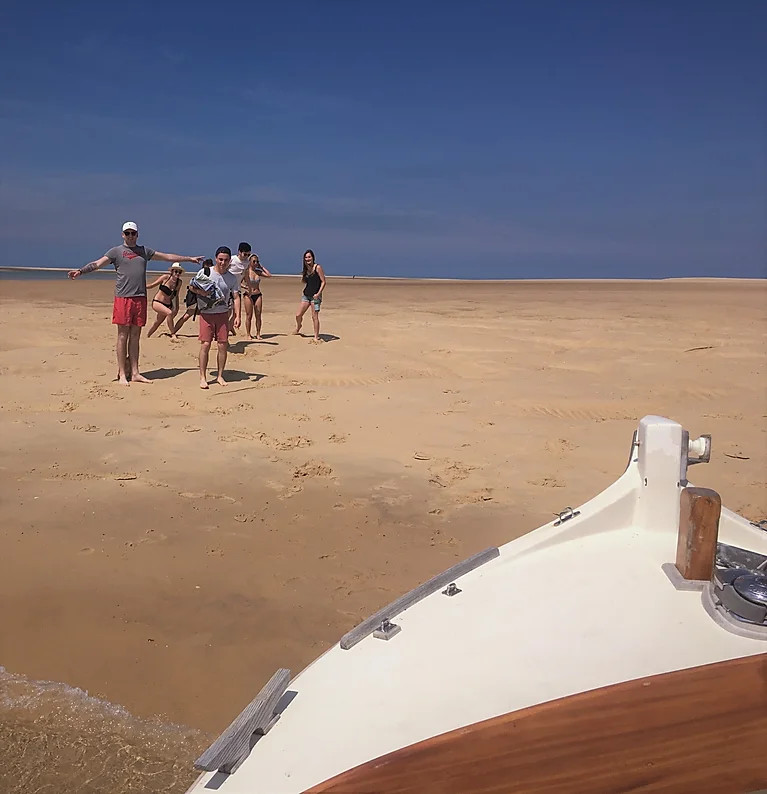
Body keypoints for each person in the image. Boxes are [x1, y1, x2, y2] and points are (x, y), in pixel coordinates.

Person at [67, 222, 202, 385]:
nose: (130, 236)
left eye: (133, 233)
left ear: (137, 235)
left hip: (140, 298)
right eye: (127, 233)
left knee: (136, 336)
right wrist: (80, 271)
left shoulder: (144, 251)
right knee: (122, 335)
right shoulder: (116, 252)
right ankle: (122, 373)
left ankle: (136, 372)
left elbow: (167, 257)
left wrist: (189, 259)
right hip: (123, 298)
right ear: (122, 235)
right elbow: (97, 264)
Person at [189, 247, 240, 389]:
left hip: (223, 314)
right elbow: (191, 287)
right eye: (220, 259)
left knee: (222, 345)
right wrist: (201, 292)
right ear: (216, 258)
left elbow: (236, 297)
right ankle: (203, 377)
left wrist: (237, 315)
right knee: (205, 344)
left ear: (230, 261)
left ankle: (220, 375)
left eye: (226, 260)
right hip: (206, 314)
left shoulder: (231, 278)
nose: (223, 262)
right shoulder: (206, 272)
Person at [293, 249, 326, 341]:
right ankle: (298, 326)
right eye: (306, 257)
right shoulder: (306, 269)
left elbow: (323, 282)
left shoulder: (317, 267)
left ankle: (316, 336)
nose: (308, 259)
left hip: (315, 297)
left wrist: (318, 293)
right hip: (306, 295)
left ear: (313, 258)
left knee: (314, 316)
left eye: (309, 257)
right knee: (298, 315)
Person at [146, 263, 185, 338]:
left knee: (157, 322)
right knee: (169, 313)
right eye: (176, 271)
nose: (177, 273)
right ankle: (173, 334)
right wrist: (140, 286)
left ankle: (148, 336)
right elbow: (152, 285)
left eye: (179, 272)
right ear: (172, 271)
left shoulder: (179, 282)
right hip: (157, 302)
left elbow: (176, 295)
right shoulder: (165, 277)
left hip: (167, 305)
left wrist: (176, 307)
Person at [243, 253, 272, 339]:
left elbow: (269, 275)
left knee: (258, 315)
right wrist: (245, 287)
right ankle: (248, 334)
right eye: (254, 261)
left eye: (257, 261)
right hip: (248, 295)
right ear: (249, 262)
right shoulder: (246, 272)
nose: (255, 263)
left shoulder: (258, 272)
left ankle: (258, 333)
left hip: (258, 295)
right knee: (249, 315)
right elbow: (238, 282)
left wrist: (261, 267)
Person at [227, 242, 252, 336]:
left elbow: (246, 275)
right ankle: (222, 331)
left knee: (236, 313)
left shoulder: (247, 263)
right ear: (239, 252)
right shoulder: (232, 259)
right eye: (245, 254)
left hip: (237, 290)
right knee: (227, 312)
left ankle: (229, 327)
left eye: (248, 255)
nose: (246, 257)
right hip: (227, 289)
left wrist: (249, 286)